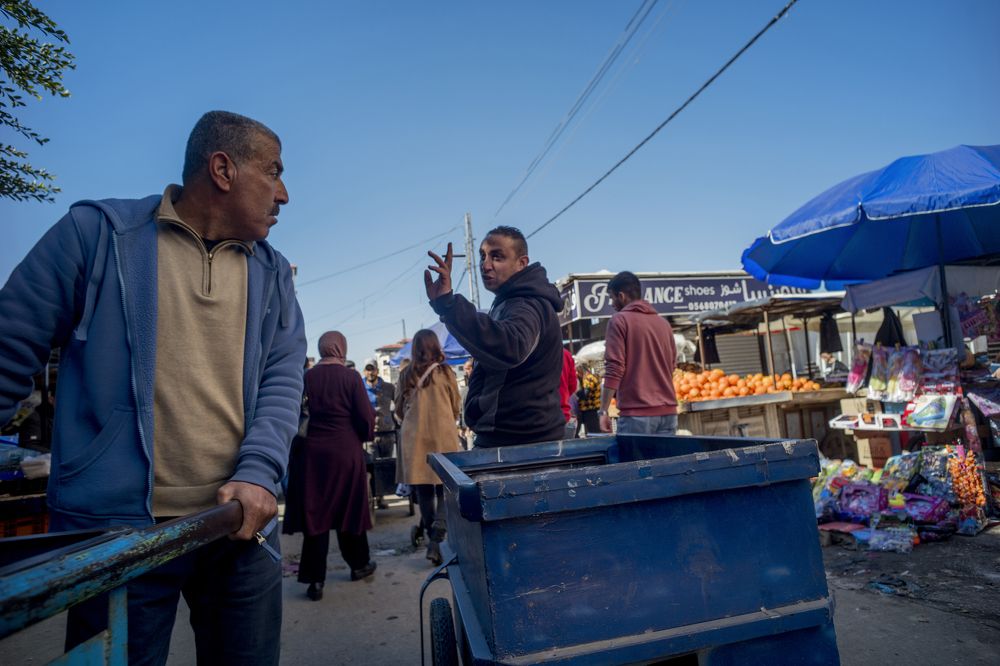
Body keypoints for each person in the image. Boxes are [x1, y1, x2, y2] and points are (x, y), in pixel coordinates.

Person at [0, 110, 305, 664]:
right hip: (117, 539)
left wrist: (259, 473)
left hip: (240, 526)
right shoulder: (97, 235)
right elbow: (8, 347)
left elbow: (284, 383)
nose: (283, 194)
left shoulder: (273, 274)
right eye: (274, 172)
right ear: (222, 169)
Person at [424, 227, 564, 447]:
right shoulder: (513, 301)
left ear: (522, 263)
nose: (485, 265)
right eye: (483, 256)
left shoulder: (525, 303)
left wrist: (449, 305)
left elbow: (512, 346)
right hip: (516, 440)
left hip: (518, 444)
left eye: (497, 256)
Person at [283, 331, 377, 601]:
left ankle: (315, 580)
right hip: (346, 453)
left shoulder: (307, 378)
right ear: (341, 348)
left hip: (313, 455)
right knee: (350, 509)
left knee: (317, 515)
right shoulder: (351, 377)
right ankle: (359, 565)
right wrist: (363, 435)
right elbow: (365, 418)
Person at [393, 329, 462, 565]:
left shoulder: (406, 375)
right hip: (443, 436)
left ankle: (433, 538)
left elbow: (399, 410)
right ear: (435, 347)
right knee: (445, 490)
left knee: (424, 492)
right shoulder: (446, 373)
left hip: (414, 440)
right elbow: (456, 406)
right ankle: (435, 540)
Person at [600, 271, 678, 435]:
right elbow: (671, 367)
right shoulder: (664, 324)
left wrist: (603, 411)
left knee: (635, 461)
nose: (612, 304)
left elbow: (614, 368)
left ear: (621, 296)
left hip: (637, 416)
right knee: (667, 461)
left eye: (612, 298)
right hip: (669, 413)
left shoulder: (619, 320)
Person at [362, 357, 396, 508]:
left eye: (372, 369)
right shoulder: (359, 387)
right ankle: (374, 496)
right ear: (364, 371)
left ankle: (382, 497)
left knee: (386, 465)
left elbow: (399, 404)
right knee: (371, 466)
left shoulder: (389, 388)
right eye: (367, 369)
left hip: (387, 433)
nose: (370, 372)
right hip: (369, 435)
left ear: (377, 370)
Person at [576, 364, 602, 436]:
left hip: (590, 409)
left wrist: (576, 393)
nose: (577, 374)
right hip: (589, 409)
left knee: (593, 433)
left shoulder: (588, 378)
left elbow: (585, 393)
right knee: (591, 432)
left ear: (581, 370)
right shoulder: (590, 377)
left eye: (577, 371)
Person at [559, 347, 578, 439]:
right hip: (562, 415)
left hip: (531, 419)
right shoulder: (566, 353)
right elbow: (573, 386)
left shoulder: (526, 350)